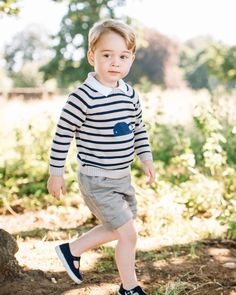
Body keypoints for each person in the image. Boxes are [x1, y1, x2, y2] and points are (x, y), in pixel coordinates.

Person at [47, 18, 156, 295]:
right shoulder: (82, 96)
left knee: (118, 230)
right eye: (107, 55)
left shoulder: (130, 95)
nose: (115, 63)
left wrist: (146, 158)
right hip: (96, 178)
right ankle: (129, 288)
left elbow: (138, 128)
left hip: (122, 177)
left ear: (131, 59)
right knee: (128, 233)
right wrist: (55, 172)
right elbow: (62, 134)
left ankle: (71, 250)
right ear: (92, 56)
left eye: (123, 56)